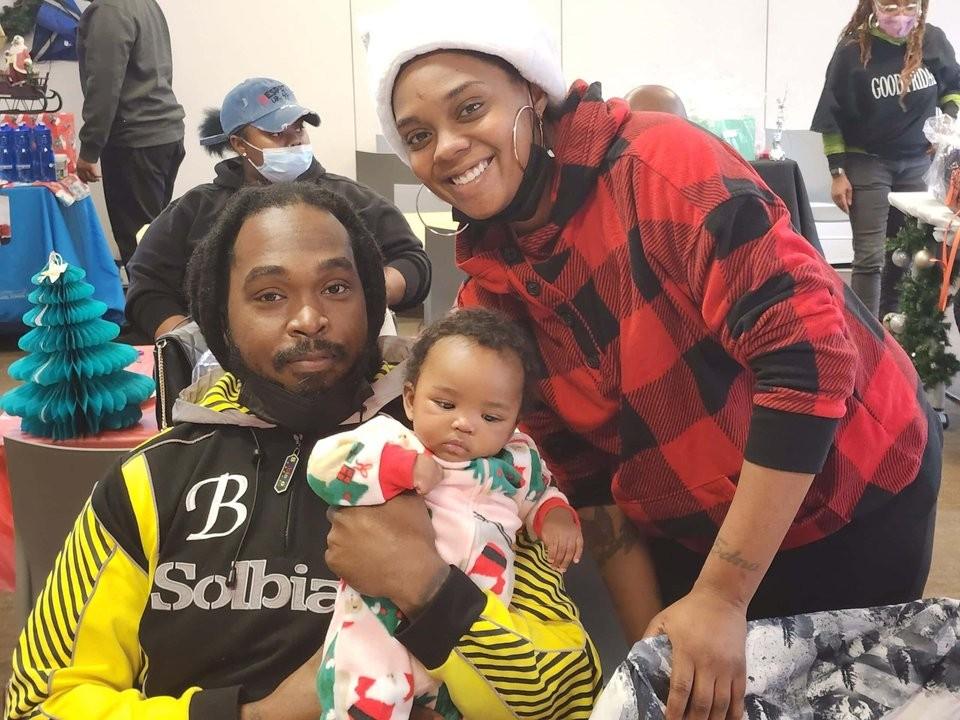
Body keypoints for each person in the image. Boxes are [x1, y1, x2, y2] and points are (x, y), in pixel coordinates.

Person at [364, 1, 943, 718]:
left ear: (532, 93)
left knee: (835, 695)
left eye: (470, 108)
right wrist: (654, 668)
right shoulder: (494, 293)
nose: (447, 147)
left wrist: (723, 595)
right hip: (690, 520)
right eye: (419, 136)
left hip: (848, 487)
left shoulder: (660, 166)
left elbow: (807, 362)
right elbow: (592, 486)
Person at [4, 183, 600, 720]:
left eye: (336, 288)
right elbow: (39, 702)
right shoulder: (154, 477)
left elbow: (569, 696)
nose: (309, 319)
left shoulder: (467, 455)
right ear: (220, 316)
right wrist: (251, 715)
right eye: (269, 295)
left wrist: (428, 588)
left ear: (371, 299)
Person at [307, 307, 583, 718]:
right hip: (381, 618)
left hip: (465, 635)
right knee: (370, 696)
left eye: (490, 416)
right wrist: (400, 468)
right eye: (445, 403)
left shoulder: (516, 463)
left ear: (514, 424)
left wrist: (555, 515)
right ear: (410, 400)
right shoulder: (391, 439)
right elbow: (324, 466)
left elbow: (542, 493)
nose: (464, 424)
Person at [125, 77, 431, 342]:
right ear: (240, 144)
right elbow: (147, 286)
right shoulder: (194, 211)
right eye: (276, 133)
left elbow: (412, 262)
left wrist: (365, 292)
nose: (293, 140)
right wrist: (189, 345)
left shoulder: (351, 199)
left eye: (298, 128)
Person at [812, 0, 960, 318]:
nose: (900, 16)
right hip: (867, 162)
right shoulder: (852, 50)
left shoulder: (932, 40)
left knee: (904, 253)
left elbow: (953, 87)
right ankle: (865, 334)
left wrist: (947, 119)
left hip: (917, 163)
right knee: (870, 257)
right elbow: (831, 113)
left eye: (909, 7)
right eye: (891, 7)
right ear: (874, 6)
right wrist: (837, 171)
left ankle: (891, 328)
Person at [76, 0, 186, 270]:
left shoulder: (109, 10)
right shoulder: (144, 3)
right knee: (156, 240)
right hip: (164, 132)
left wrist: (89, 148)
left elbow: (104, 84)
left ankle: (151, 299)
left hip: (136, 141)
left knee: (141, 249)